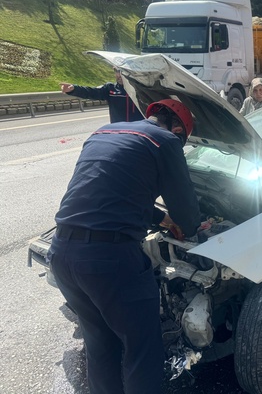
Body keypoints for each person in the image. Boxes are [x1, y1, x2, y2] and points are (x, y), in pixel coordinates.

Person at [47, 99, 201, 394]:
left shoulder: (104, 131)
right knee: (141, 348)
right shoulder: (166, 141)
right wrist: (190, 224)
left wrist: (162, 219)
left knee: (100, 344)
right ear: (178, 129)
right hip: (110, 262)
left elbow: (112, 189)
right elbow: (189, 217)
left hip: (62, 252)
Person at [60, 67, 144, 122]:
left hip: (138, 133)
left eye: (122, 71)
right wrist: (74, 89)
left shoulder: (141, 89)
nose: (119, 75)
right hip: (117, 133)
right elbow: (92, 92)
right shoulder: (110, 88)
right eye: (117, 71)